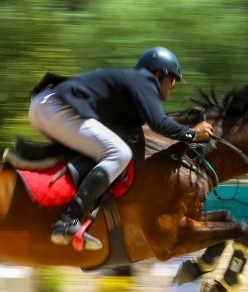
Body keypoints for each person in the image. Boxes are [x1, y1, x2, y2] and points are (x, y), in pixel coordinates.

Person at [28, 47, 214, 251]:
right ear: (159, 74)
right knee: (119, 153)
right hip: (55, 107)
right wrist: (193, 133)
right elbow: (158, 123)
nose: (173, 87)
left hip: (48, 106)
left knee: (110, 151)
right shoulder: (145, 79)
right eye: (173, 80)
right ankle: (68, 221)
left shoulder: (133, 86)